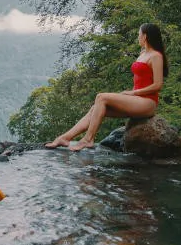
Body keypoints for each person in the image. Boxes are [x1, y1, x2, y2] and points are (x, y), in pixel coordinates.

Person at [46, 23, 168, 151]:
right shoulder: (143, 53)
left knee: (101, 97)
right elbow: (139, 79)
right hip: (137, 100)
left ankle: (88, 139)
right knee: (96, 109)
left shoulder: (156, 56)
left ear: (145, 36)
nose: (138, 37)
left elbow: (157, 85)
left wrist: (133, 93)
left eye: (139, 34)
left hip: (148, 103)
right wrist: (131, 94)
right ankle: (65, 138)